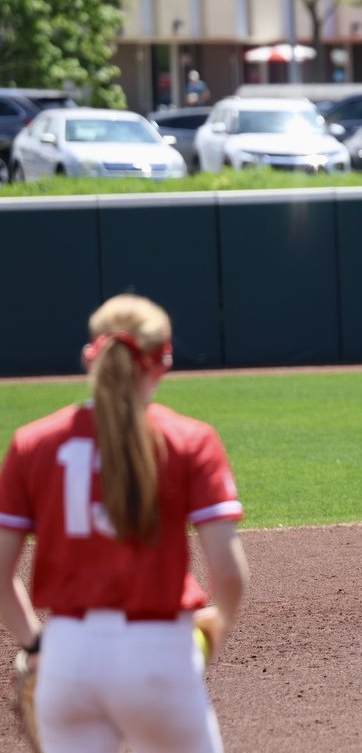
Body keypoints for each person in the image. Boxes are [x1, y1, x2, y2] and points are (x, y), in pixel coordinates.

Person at [0, 294, 250, 751]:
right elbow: (229, 572)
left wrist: (37, 647)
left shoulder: (31, 443)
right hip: (157, 655)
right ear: (163, 362)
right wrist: (219, 624)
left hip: (67, 661)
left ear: (90, 356)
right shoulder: (189, 439)